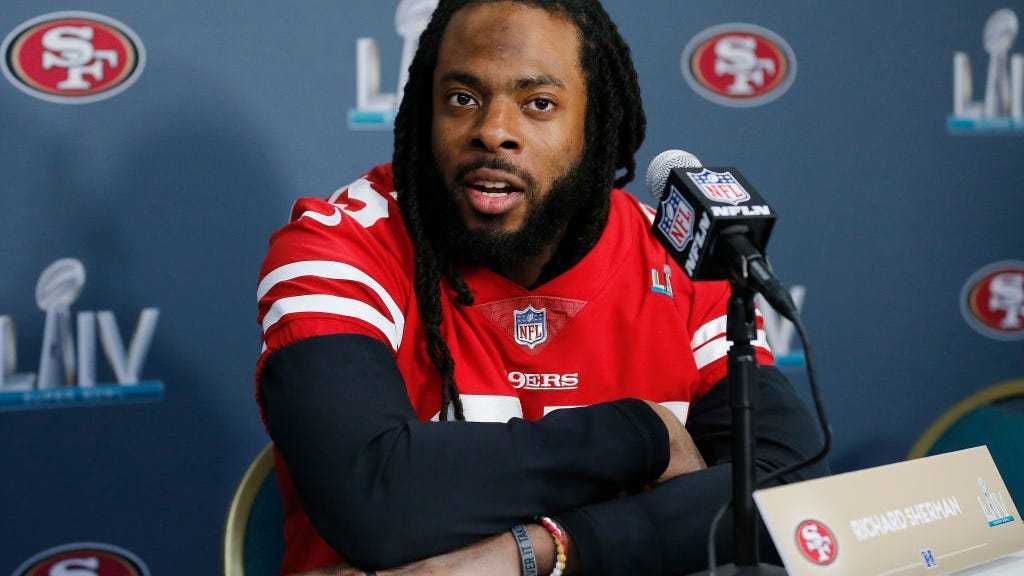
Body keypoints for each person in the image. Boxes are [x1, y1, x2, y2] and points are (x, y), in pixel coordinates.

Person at [256, 1, 828, 574]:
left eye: (539, 104)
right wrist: (643, 434)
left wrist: (539, 551)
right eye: (462, 98)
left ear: (594, 125)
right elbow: (373, 495)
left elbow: (789, 493)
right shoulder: (341, 245)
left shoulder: (679, 261)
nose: (493, 131)